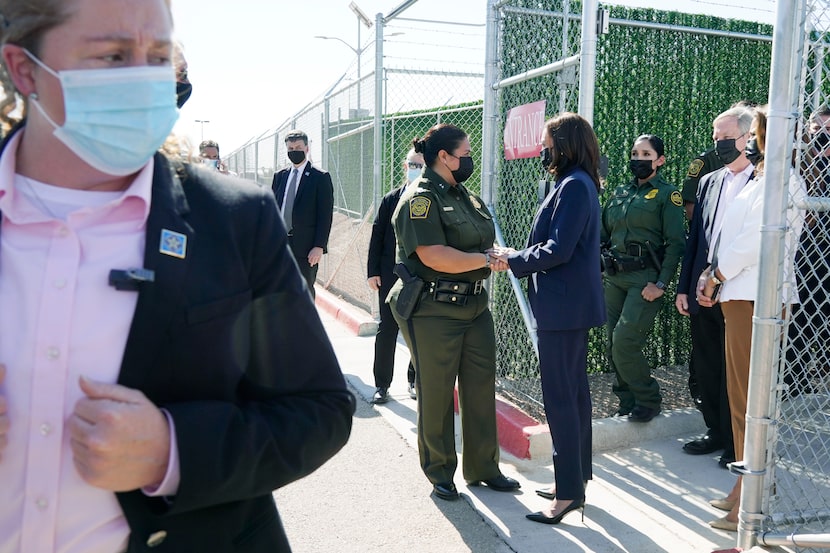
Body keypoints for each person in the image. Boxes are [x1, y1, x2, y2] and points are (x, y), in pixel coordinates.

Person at [0, 2, 355, 552]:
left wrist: (172, 451)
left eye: (159, 56)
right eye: (113, 55)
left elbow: (320, 410)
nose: (145, 78)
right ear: (25, 71)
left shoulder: (234, 220)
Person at [388, 123, 519, 501]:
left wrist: (489, 257)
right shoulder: (420, 199)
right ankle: (439, 470)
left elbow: (483, 240)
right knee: (437, 391)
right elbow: (433, 255)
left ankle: (483, 467)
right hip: (433, 309)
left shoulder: (467, 197)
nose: (469, 160)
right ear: (443, 156)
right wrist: (483, 258)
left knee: (480, 389)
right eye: (465, 153)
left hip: (475, 307)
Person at [492, 112, 605, 525]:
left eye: (547, 142)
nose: (543, 149)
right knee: (573, 397)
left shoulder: (574, 186)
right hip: (567, 306)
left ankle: (569, 494)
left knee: (562, 400)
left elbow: (558, 249)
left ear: (564, 144)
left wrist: (512, 260)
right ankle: (573, 481)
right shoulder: (576, 182)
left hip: (563, 308)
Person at [697, 106, 805, 532]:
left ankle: (753, 492)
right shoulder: (761, 180)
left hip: (756, 297)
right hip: (739, 294)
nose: (748, 143)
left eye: (755, 135)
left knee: (750, 401)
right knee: (742, 398)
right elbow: (728, 236)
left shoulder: (781, 181)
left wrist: (717, 274)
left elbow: (755, 242)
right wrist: (714, 273)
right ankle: (745, 487)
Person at [676, 106, 756, 468]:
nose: (719, 143)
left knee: (735, 369)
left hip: (738, 288)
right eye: (715, 137)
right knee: (707, 361)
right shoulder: (710, 182)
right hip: (704, 290)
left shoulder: (761, 181)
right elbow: (695, 240)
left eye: (726, 137)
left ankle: (737, 439)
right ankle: (716, 430)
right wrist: (685, 286)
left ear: (747, 137)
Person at [601, 134, 686, 422]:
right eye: (635, 153)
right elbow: (603, 233)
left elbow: (676, 244)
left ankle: (648, 399)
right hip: (615, 278)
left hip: (645, 280)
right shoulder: (620, 193)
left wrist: (661, 283)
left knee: (625, 341)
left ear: (659, 160)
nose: (639, 159)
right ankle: (627, 402)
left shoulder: (667, 195)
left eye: (646, 154)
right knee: (613, 344)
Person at [366, 148, 423, 404]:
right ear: (404, 166)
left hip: (422, 277)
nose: (415, 168)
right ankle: (381, 385)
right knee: (386, 329)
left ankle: (414, 380)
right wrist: (373, 272)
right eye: (412, 164)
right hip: (391, 277)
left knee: (420, 332)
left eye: (420, 165)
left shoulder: (433, 199)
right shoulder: (390, 199)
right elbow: (377, 236)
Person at [786, 105, 830, 395]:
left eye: (829, 132)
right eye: (818, 131)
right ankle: (794, 383)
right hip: (802, 258)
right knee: (798, 322)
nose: (822, 137)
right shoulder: (800, 167)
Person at [271, 130, 334, 299]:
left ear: (307, 148)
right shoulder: (280, 176)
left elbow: (325, 215)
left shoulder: (320, 177)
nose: (294, 151)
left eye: (298, 147)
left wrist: (319, 246)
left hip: (305, 248)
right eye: (290, 148)